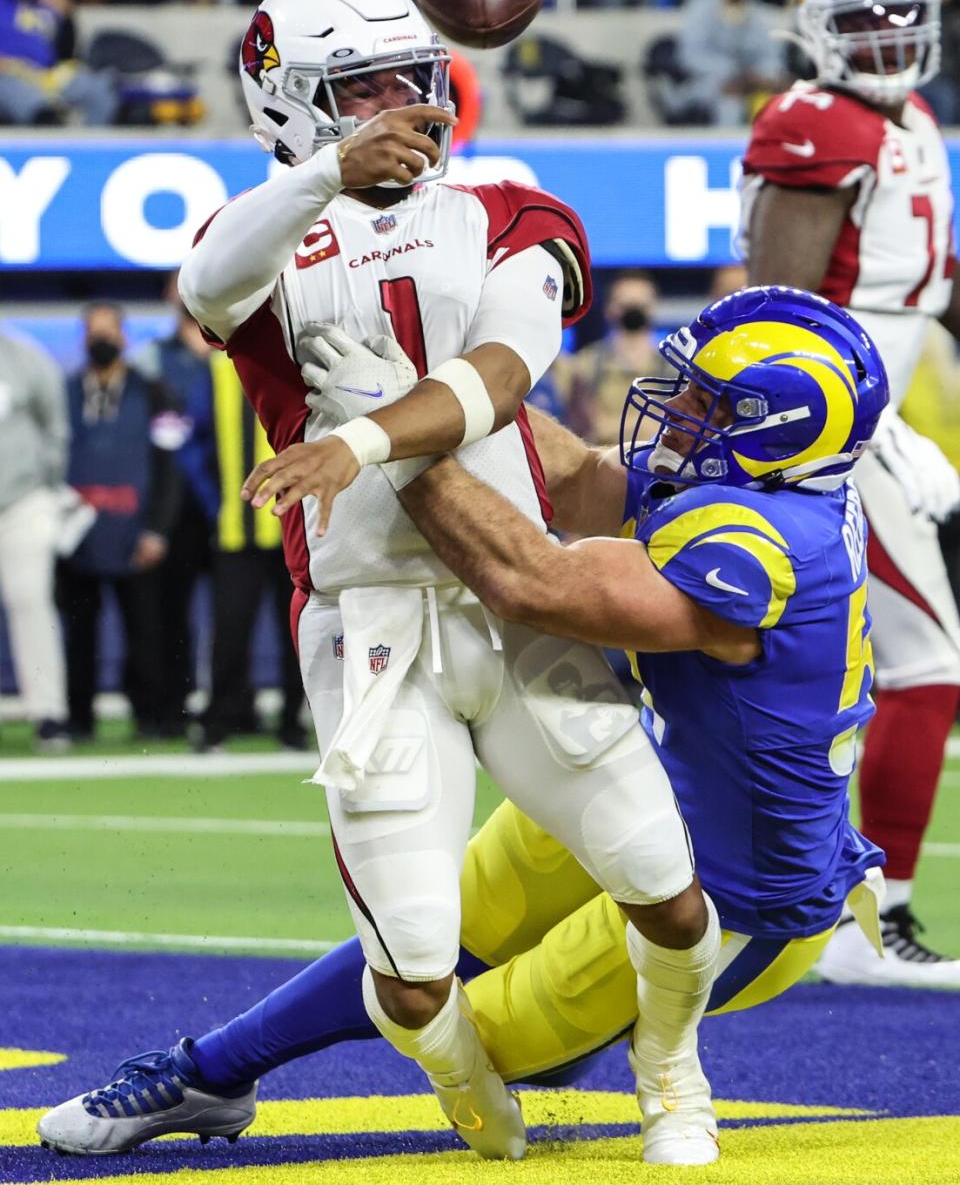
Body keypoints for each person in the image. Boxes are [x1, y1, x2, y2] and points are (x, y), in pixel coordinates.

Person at [37, 284, 891, 1160]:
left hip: (747, 896)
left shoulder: (768, 545)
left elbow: (531, 583)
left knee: (470, 1039)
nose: (674, 409)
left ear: (779, 430)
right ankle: (209, 1074)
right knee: (419, 947)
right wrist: (436, 391)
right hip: (674, 792)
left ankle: (621, 1054)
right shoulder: (767, 487)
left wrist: (393, 443)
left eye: (707, 402)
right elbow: (571, 477)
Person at [173, 0, 729, 1166]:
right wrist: (323, 173)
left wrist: (362, 436)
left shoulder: (506, 209)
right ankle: (470, 1085)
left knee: (667, 887)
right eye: (360, 90)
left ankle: (675, 1072)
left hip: (518, 594)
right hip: (367, 620)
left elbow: (507, 374)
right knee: (416, 967)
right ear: (290, 105)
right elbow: (208, 287)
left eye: (409, 80)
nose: (400, 109)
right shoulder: (262, 239)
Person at [738, 0, 960, 986]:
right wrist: (880, 429)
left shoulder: (911, 120)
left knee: (872, 674)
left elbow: (930, 283)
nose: (887, 40)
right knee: (924, 663)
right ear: (817, 32)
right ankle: (865, 924)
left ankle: (835, 911)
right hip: (816, 439)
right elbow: (777, 318)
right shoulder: (814, 124)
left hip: (859, 428)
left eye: (901, 16)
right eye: (863, 21)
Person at [57, 302, 181, 741]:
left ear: (125, 336)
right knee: (78, 636)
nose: (101, 339)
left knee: (146, 634)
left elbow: (171, 465)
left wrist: (158, 530)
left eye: (109, 331)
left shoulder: (155, 392)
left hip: (136, 534)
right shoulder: (63, 392)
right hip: (77, 537)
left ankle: (150, 718)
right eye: (93, 332)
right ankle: (77, 721)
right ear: (82, 338)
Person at [178, 352, 307, 752]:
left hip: (294, 527)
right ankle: (220, 720)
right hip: (237, 531)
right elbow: (192, 445)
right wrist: (216, 502)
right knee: (230, 630)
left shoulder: (299, 358)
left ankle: (294, 721)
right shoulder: (218, 369)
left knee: (300, 631)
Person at [131, 281, 213, 738]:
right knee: (169, 611)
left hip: (233, 498)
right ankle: (171, 706)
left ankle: (233, 704)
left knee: (235, 609)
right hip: (175, 502)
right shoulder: (152, 359)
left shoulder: (234, 348)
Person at [0, 325, 71, 751]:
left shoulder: (24, 357)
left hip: (22, 501)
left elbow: (55, 427)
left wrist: (47, 485)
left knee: (31, 604)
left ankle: (48, 713)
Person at [0, 0, 116, 126]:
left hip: (45, 75)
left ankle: (91, 149)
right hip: (8, 75)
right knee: (32, 102)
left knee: (97, 90)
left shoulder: (39, 2)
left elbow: (67, 29)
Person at [672, 0, 786, 127]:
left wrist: (761, 75)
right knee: (729, 103)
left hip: (750, 85)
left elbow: (771, 57)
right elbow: (690, 57)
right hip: (706, 84)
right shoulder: (700, 6)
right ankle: (726, 153)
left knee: (777, 99)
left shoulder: (759, 11)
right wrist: (731, 73)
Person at [550, 270, 665, 445]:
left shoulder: (676, 365)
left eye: (639, 304)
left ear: (653, 307)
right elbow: (590, 426)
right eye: (625, 304)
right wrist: (650, 424)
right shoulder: (584, 364)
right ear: (610, 308)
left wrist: (611, 425)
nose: (633, 310)